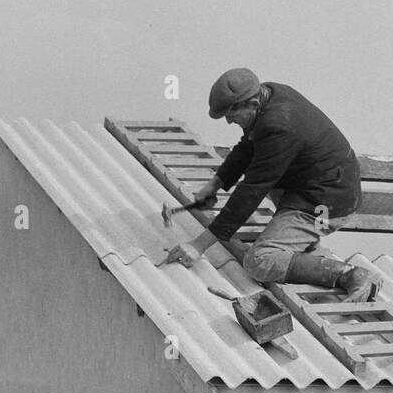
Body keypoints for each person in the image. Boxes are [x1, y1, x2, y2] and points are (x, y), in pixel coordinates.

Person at [163, 68, 380, 301]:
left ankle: (352, 275)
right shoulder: (269, 95)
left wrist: (198, 246)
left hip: (326, 203)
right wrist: (216, 184)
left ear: (253, 103)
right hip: (314, 185)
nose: (228, 120)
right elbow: (248, 147)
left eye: (231, 114)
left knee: (260, 261)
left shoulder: (280, 125)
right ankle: (299, 245)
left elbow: (251, 191)